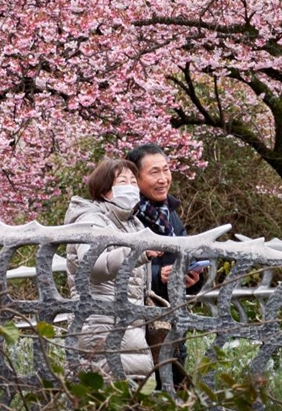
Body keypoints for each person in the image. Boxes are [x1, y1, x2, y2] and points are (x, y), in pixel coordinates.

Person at [63, 158, 162, 383]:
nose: (131, 187)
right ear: (106, 190)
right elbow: (93, 265)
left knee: (133, 395)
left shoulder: (131, 223)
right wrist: (139, 253)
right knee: (102, 393)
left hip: (129, 325)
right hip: (100, 326)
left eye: (133, 181)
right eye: (123, 181)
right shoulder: (91, 220)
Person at [126, 143, 204, 390]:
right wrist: (160, 275)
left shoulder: (170, 214)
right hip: (136, 325)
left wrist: (191, 279)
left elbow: (183, 257)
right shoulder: (126, 217)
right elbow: (115, 268)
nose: (163, 179)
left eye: (166, 170)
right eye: (154, 172)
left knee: (173, 388)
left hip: (170, 320)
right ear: (135, 178)